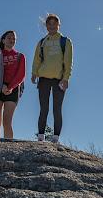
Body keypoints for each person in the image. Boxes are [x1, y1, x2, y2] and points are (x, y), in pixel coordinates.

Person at [31, 14, 73, 143]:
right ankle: (41, 137)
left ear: (59, 25)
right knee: (44, 108)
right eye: (49, 24)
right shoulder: (42, 42)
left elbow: (68, 61)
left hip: (59, 80)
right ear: (46, 26)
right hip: (43, 79)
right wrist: (34, 73)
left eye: (54, 24)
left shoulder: (65, 41)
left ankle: (55, 138)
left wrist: (66, 78)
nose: (52, 26)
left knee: (57, 109)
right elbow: (37, 59)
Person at [0, 30, 26, 138]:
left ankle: (8, 147)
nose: (11, 40)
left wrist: (10, 87)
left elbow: (21, 75)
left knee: (7, 122)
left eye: (14, 39)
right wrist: (1, 85)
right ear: (3, 40)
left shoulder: (20, 56)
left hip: (13, 89)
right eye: (9, 38)